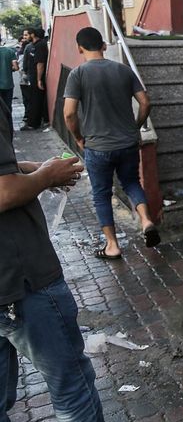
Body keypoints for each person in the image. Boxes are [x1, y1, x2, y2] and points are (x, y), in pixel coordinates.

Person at [0, 98, 104, 421]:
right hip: (19, 279)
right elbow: (4, 192)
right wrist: (44, 177)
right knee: (73, 390)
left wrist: (34, 169)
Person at [63, 27, 161, 259]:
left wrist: (78, 138)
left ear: (79, 48)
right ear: (104, 46)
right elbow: (145, 103)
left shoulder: (77, 74)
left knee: (101, 194)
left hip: (98, 147)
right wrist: (135, 127)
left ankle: (112, 246)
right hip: (127, 143)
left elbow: (69, 113)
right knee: (131, 183)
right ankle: (146, 220)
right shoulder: (123, 70)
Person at [22, 28, 48, 131]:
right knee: (34, 99)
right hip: (33, 77)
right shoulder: (33, 46)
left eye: (26, 35)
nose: (24, 37)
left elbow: (40, 64)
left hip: (37, 78)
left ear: (32, 34)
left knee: (36, 100)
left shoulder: (40, 45)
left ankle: (34, 123)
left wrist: (38, 80)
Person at [0, 42, 18, 136]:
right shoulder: (9, 51)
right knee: (8, 108)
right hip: (8, 85)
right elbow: (16, 67)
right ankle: (9, 131)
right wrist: (9, 69)